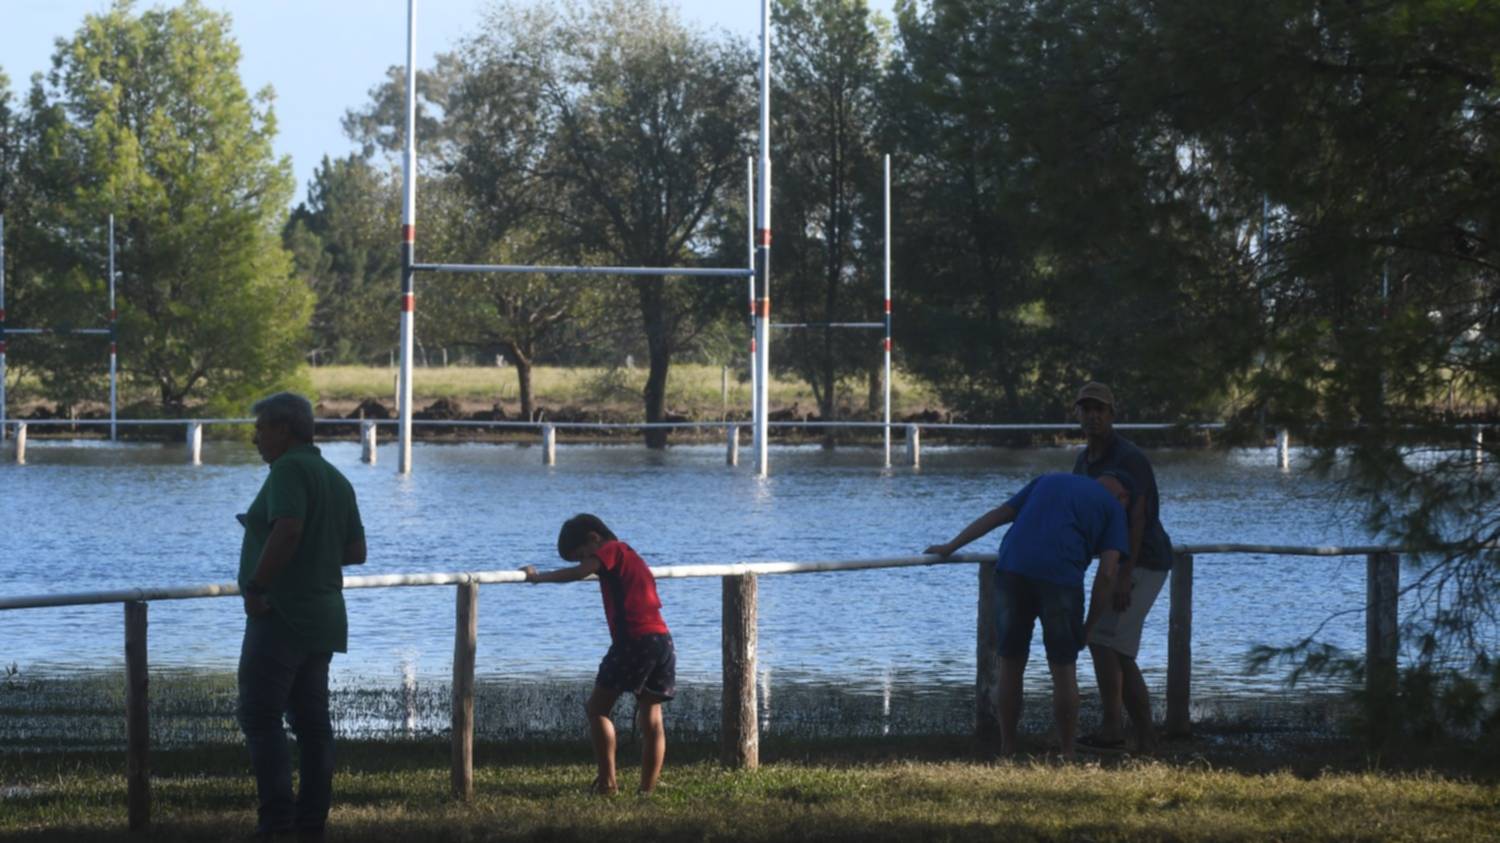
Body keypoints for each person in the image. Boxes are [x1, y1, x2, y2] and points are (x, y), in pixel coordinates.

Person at [925, 473, 1129, 760]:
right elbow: (1108, 572)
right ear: (1122, 496)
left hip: (1012, 570)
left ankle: (1007, 748)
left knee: (1010, 663)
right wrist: (1089, 627)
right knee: (1063, 668)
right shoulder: (1114, 510)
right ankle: (1068, 752)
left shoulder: (1049, 480)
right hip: (1060, 579)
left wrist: (950, 546)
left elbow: (998, 515)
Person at [237, 392, 366, 841]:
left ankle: (276, 823)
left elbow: (289, 528)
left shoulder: (288, 469)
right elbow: (355, 551)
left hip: (281, 613)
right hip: (324, 615)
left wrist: (257, 585)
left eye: (261, 428)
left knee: (259, 715)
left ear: (284, 430)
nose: (255, 438)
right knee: (313, 725)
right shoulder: (334, 477)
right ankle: (311, 825)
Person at [521, 514, 675, 795]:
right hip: (661, 640)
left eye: (582, 556)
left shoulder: (610, 550)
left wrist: (538, 578)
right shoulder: (631, 555)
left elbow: (580, 573)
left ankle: (607, 784)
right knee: (652, 719)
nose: (584, 564)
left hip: (634, 640)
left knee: (597, 708)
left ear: (594, 538)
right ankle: (646, 791)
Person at [1072, 382, 1173, 753]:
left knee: (1115, 646)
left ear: (1112, 415)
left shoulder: (1129, 458)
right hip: (1114, 562)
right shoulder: (1083, 462)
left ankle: (1140, 736)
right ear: (1077, 414)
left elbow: (1138, 519)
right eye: (1087, 409)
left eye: (1100, 409)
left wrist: (1125, 576)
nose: (1093, 416)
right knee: (1103, 642)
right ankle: (1119, 730)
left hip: (1145, 560)